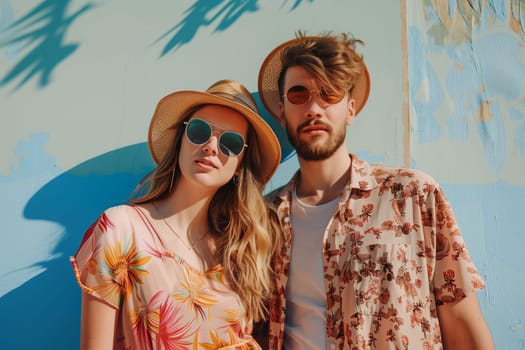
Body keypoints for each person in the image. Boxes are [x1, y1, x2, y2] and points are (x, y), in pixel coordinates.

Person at [257, 32, 494, 349]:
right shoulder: (263, 217)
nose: (314, 108)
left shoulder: (411, 195)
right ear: (283, 112)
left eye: (329, 94)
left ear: (350, 110)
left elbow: (463, 323)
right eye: (299, 95)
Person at [70, 79, 281, 349]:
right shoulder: (122, 229)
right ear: (180, 140)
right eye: (199, 131)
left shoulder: (239, 252)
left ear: (240, 165)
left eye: (231, 142)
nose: (211, 146)